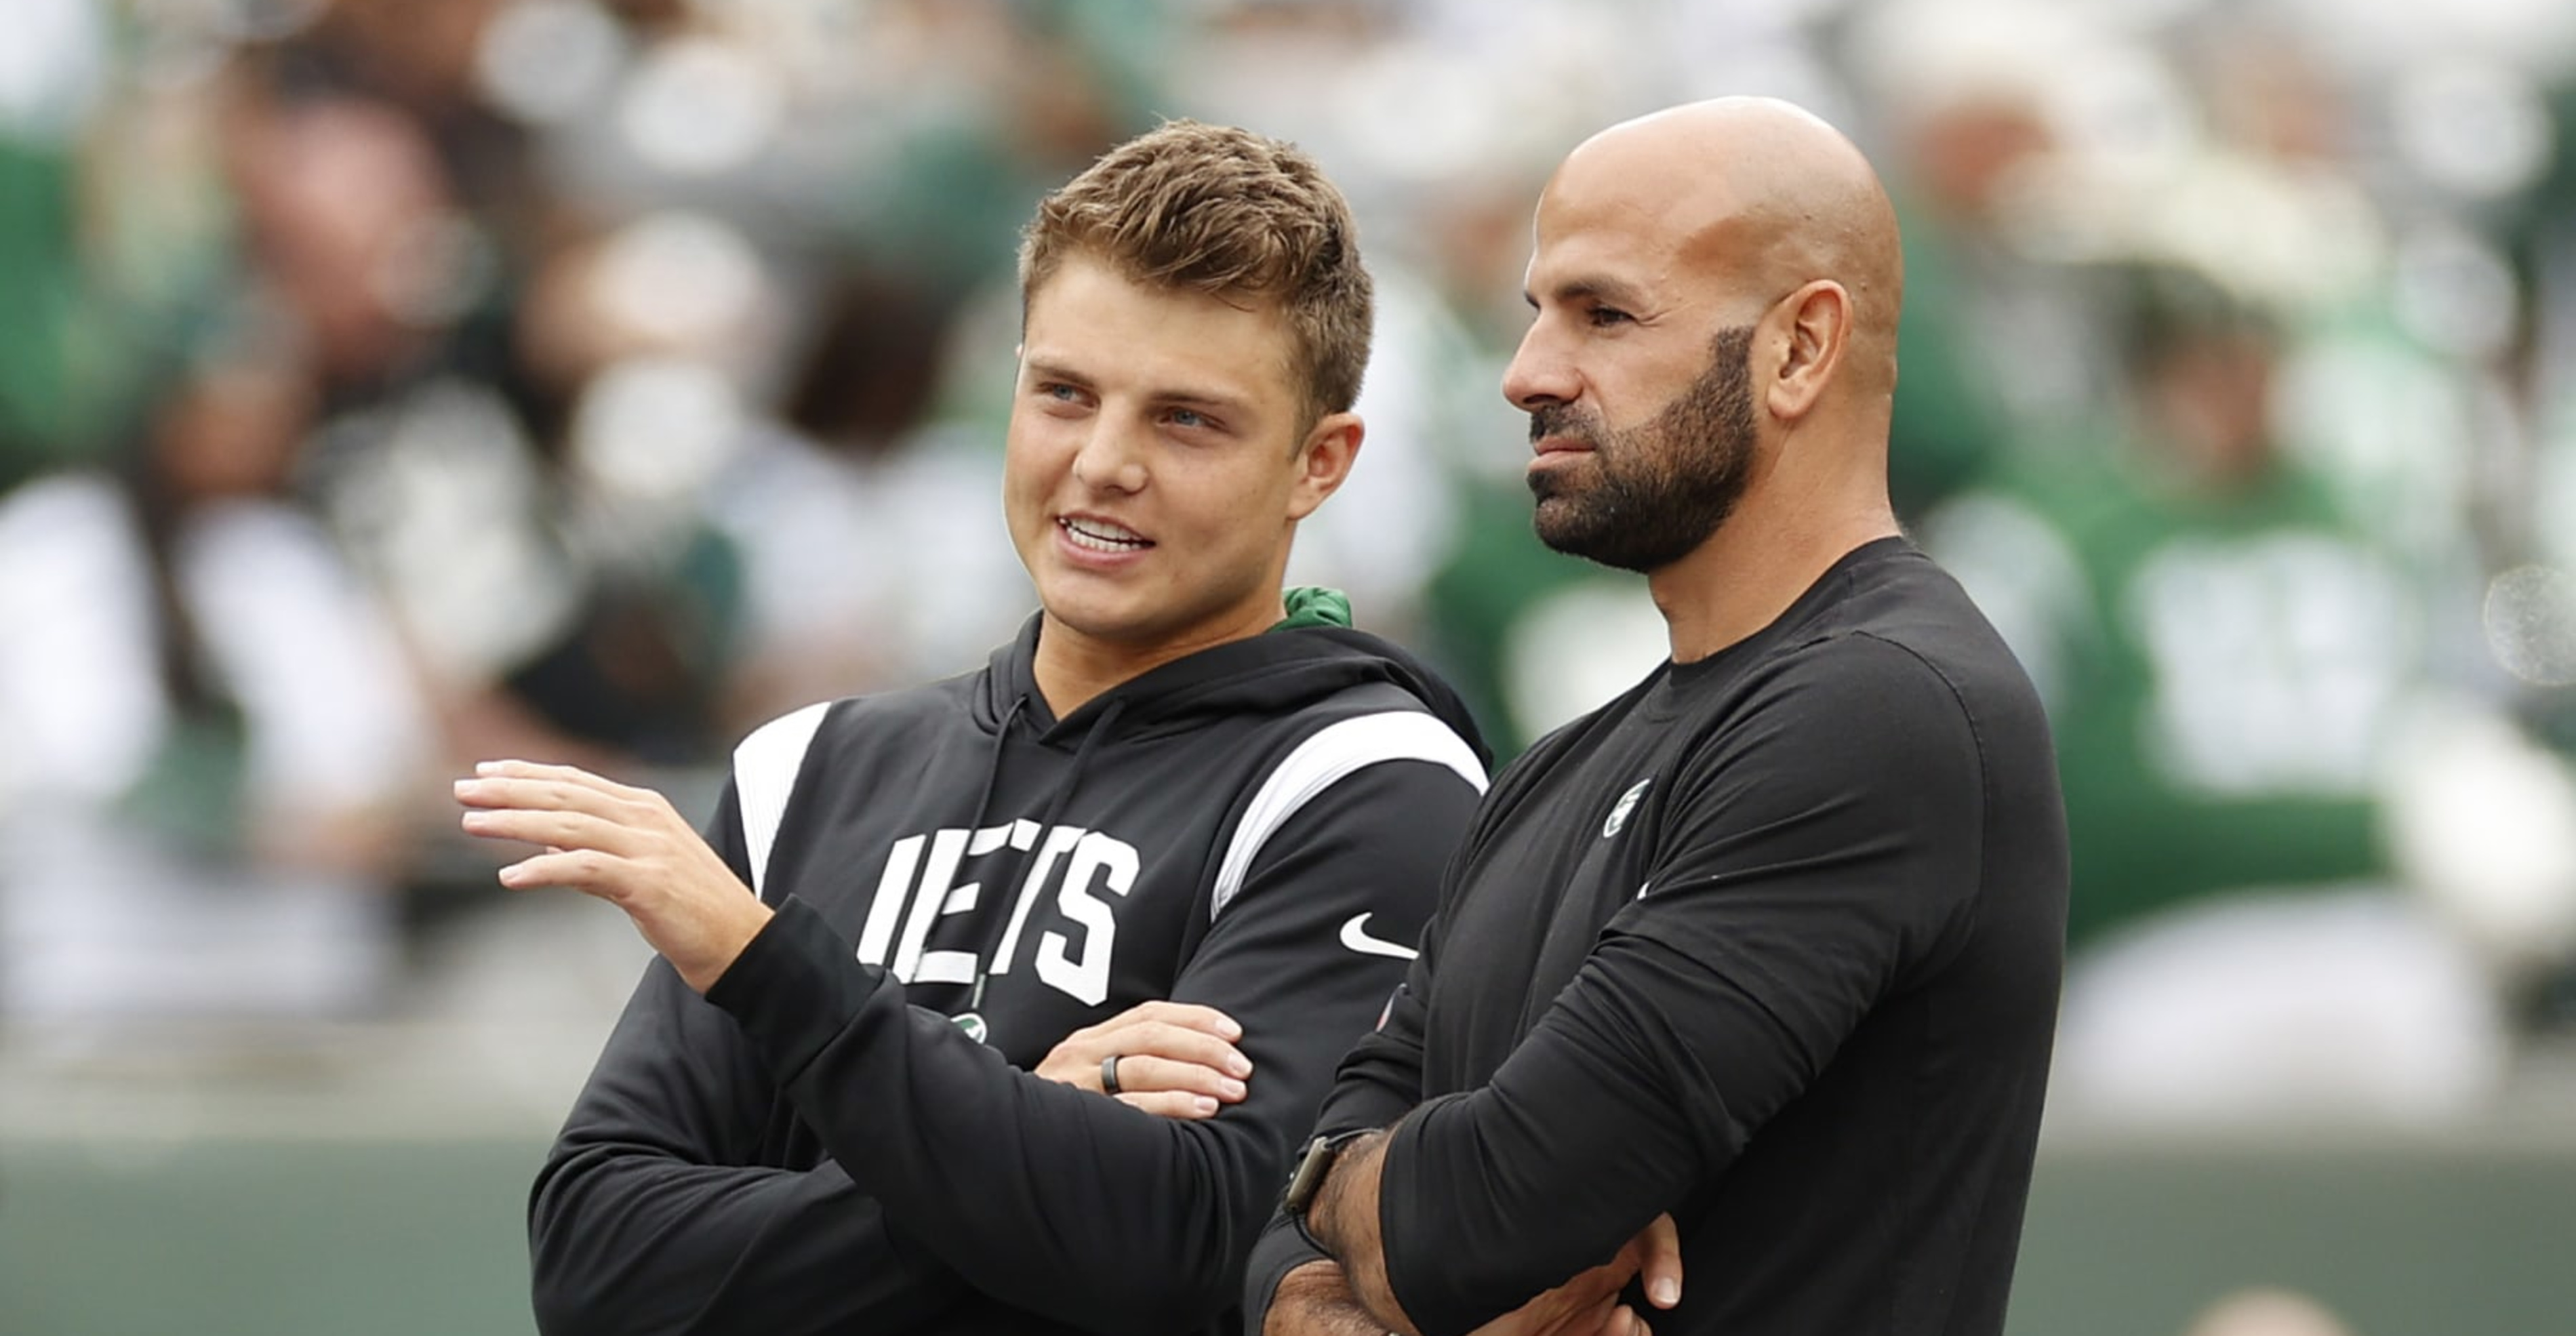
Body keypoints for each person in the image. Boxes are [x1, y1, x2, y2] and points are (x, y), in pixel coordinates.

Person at [453, 119, 1489, 1335]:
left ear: (1320, 464)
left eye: (1187, 420)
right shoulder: (808, 769)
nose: (1104, 463)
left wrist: (773, 969)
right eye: (1064, 393)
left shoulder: (1370, 779)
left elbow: (1194, 1246)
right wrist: (1017, 1121)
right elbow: (600, 1273)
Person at [1249, 97, 2070, 1336]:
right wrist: (1349, 1250)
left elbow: (1481, 1218)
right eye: (1534, 312)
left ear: (1799, 349)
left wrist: (1390, 1206)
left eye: (1604, 314)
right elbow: (1286, 1229)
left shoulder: (1883, 712)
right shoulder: (1557, 768)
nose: (1527, 372)